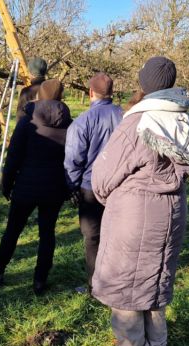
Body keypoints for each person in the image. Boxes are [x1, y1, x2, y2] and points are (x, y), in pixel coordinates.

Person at [92, 57, 189, 346]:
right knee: (155, 286)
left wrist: (116, 202)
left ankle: (131, 345)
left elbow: (103, 177)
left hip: (132, 219)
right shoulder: (186, 121)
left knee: (127, 292)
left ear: (145, 83)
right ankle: (158, 345)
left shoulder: (139, 122)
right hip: (172, 213)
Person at [0, 79, 72, 296]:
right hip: (54, 187)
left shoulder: (27, 122)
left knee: (13, 229)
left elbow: (14, 156)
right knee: (47, 233)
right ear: (61, 97)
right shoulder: (70, 124)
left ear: (39, 95)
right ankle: (40, 280)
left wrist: (7, 183)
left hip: (26, 186)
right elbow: (73, 157)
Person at [63, 72, 123, 294]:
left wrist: (72, 187)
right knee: (118, 235)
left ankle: (95, 285)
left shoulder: (82, 122)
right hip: (119, 186)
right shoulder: (126, 117)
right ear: (112, 93)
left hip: (90, 187)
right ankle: (119, 282)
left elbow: (73, 159)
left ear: (90, 92)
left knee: (92, 237)